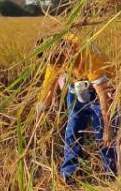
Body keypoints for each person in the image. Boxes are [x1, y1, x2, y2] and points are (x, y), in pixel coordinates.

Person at [36, 34, 116, 180]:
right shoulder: (54, 54)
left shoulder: (88, 55)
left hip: (103, 89)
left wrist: (108, 127)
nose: (58, 66)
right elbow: (49, 85)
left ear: (66, 52)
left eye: (59, 62)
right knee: (72, 130)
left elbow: (103, 92)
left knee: (103, 135)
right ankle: (69, 174)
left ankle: (110, 174)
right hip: (77, 87)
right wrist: (40, 110)